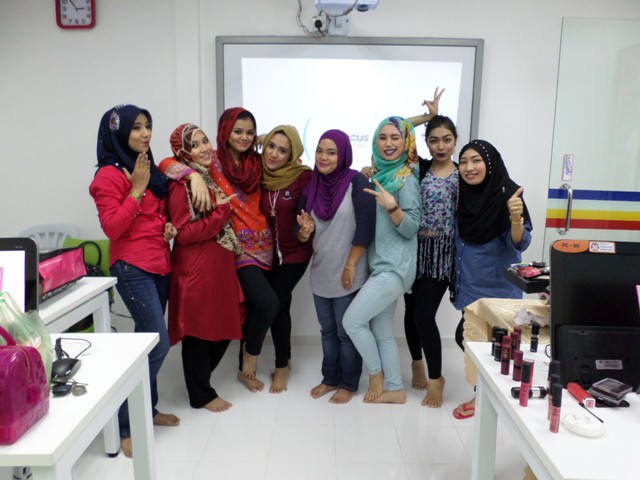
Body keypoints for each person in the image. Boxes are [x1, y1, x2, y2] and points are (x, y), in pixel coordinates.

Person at [160, 108, 277, 393]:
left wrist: (270, 138)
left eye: (250, 132)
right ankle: (221, 379)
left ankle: (237, 373)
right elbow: (166, 163)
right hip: (230, 252)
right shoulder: (211, 162)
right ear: (224, 132)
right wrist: (193, 176)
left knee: (247, 311)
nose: (244, 137)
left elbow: (290, 161)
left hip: (258, 248)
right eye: (237, 131)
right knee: (259, 306)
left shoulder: (256, 161)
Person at [89, 104, 180, 458]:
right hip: (132, 268)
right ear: (118, 132)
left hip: (159, 263)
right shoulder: (108, 176)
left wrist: (166, 228)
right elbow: (113, 228)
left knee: (147, 341)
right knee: (157, 345)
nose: (145, 134)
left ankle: (148, 410)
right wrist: (137, 189)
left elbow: (152, 217)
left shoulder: (146, 167)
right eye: (136, 127)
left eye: (148, 126)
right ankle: (125, 424)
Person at [165, 123, 245, 412]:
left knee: (224, 323)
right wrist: (221, 212)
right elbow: (184, 234)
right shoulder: (182, 185)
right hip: (196, 268)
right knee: (198, 332)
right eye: (195, 145)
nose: (204, 148)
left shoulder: (204, 178)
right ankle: (200, 394)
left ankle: (198, 380)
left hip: (215, 268)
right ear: (183, 152)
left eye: (205, 141)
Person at [451, 139, 532, 419]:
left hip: (498, 291)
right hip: (469, 285)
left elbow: (519, 243)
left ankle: (489, 400)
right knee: (473, 341)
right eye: (463, 161)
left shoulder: (508, 194)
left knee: (491, 348)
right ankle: (491, 397)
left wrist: (515, 218)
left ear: (490, 163)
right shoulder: (462, 195)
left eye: (476, 160)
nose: (469, 167)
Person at [342, 116, 421, 404]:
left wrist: (392, 207)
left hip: (395, 268)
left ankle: (375, 373)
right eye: (382, 137)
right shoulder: (380, 175)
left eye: (395, 137)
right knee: (382, 331)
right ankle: (396, 388)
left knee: (352, 321)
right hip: (381, 266)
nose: (388, 143)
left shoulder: (405, 179)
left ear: (405, 142)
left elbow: (412, 227)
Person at [297, 129, 376, 404]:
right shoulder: (311, 185)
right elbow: (302, 234)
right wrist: (304, 233)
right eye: (320, 151)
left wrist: (351, 265)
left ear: (342, 155)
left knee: (346, 333)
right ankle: (329, 378)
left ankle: (348, 383)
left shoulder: (357, 182)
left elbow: (366, 228)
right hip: (321, 271)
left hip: (349, 272)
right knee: (327, 331)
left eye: (331, 152)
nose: (323, 157)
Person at [403, 115, 459, 408]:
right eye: (434, 140)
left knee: (424, 314)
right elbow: (399, 129)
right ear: (425, 143)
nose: (440, 146)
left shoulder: (463, 174)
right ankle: (417, 364)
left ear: (455, 141)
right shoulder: (419, 168)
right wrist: (426, 116)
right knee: (410, 312)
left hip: (441, 257)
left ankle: (437, 379)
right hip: (413, 250)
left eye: (446, 140)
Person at [259, 125, 313, 393]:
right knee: (282, 306)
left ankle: (281, 366)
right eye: (270, 146)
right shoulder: (259, 173)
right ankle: (286, 358)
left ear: (292, 155)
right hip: (266, 255)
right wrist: (257, 138)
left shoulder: (303, 177)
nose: (274, 154)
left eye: (282, 150)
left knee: (276, 304)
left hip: (295, 252)